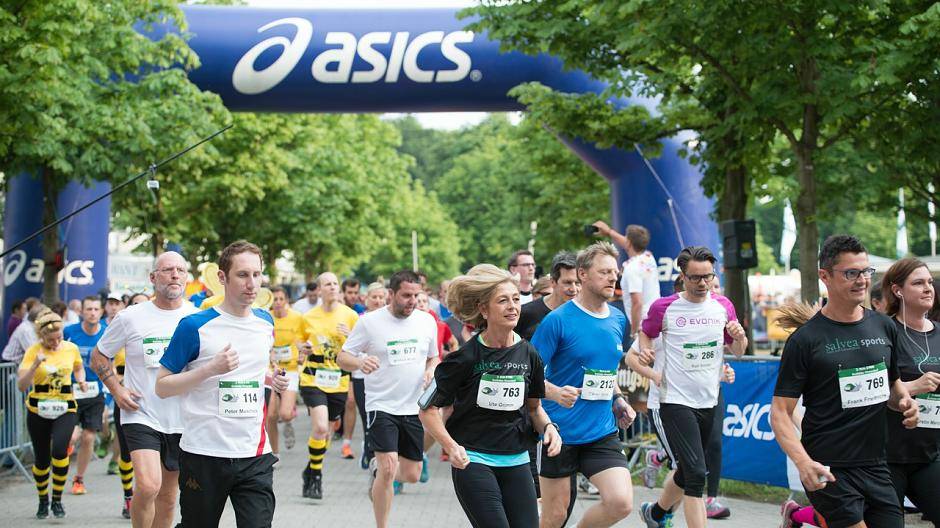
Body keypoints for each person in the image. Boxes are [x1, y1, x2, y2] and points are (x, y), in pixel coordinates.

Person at [770, 235, 918, 528]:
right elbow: (780, 413)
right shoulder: (805, 340)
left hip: (877, 465)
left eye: (866, 271)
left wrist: (905, 402)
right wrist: (803, 462)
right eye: (851, 273)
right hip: (828, 466)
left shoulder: (884, 326)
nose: (862, 280)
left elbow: (893, 386)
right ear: (824, 276)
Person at [155, 241, 288, 527]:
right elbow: (162, 386)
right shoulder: (194, 326)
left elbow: (254, 370)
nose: (252, 284)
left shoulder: (265, 322)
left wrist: (273, 378)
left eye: (257, 274)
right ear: (222, 277)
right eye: (242, 275)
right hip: (204, 453)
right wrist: (209, 369)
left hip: (254, 454)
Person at [418, 264, 562, 527]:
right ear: (484, 309)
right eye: (503, 301)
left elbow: (534, 409)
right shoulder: (464, 357)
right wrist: (450, 446)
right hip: (474, 460)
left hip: (518, 459)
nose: (513, 307)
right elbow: (427, 409)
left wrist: (549, 428)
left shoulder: (529, 354)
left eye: (516, 299)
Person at [636, 246, 746, 528]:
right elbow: (645, 334)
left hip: (709, 400)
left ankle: (656, 513)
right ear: (683, 277)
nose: (702, 283)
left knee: (689, 470)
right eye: (695, 277)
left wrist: (739, 337)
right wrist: (646, 351)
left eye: (708, 277)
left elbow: (738, 352)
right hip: (675, 400)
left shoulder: (723, 306)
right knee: (697, 474)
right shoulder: (664, 307)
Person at [533, 241, 637, 528]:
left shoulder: (618, 318)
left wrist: (618, 399)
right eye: (604, 272)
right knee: (555, 516)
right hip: (559, 432)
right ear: (583, 274)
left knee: (620, 503)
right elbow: (528, 375)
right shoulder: (557, 321)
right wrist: (555, 392)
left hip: (601, 431)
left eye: (614, 272)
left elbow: (606, 370)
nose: (612, 278)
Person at [92, 252, 198, 527]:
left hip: (182, 418)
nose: (175, 275)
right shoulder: (131, 317)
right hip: (141, 413)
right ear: (153, 277)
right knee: (149, 486)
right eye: (167, 270)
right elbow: (99, 356)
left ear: (187, 277)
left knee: (168, 496)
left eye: (180, 270)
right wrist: (117, 390)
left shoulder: (196, 317)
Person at [337, 270, 439, 528]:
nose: (412, 301)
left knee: (412, 474)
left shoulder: (426, 321)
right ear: (391, 294)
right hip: (380, 405)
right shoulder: (369, 322)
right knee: (389, 468)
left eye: (416, 295)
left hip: (413, 406)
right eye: (406, 295)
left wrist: (431, 369)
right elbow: (343, 357)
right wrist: (360, 362)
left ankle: (376, 467)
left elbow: (434, 357)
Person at [880, 257, 940, 524]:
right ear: (898, 290)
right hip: (886, 457)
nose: (928, 288)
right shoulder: (883, 332)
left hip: (929, 454)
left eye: (930, 282)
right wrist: (913, 387)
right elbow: (867, 390)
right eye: (918, 283)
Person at [298, 271, 359, 499]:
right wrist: (302, 348)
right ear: (319, 289)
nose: (332, 287)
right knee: (321, 427)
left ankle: (311, 467)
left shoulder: (350, 316)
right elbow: (300, 342)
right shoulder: (308, 317)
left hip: (338, 380)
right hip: (313, 377)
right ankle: (316, 475)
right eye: (327, 284)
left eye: (335, 283)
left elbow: (360, 348)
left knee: (328, 432)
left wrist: (351, 336)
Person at [18, 310, 84, 519]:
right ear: (41, 337)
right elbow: (21, 385)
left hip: (65, 407)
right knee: (42, 459)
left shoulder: (71, 348)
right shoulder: (33, 351)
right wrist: (35, 365)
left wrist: (81, 380)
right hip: (38, 409)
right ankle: (42, 500)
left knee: (59, 450)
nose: (56, 343)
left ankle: (57, 499)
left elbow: (78, 368)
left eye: (59, 338)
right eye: (50, 340)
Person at [64, 295, 108, 496]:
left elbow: (111, 365)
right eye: (88, 309)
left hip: (95, 393)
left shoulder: (106, 333)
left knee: (89, 437)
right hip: (71, 392)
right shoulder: (69, 332)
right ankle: (62, 459)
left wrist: (109, 399)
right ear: (81, 312)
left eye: (96, 309)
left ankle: (79, 479)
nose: (92, 313)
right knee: (71, 436)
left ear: (101, 312)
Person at [344, 282, 389, 468]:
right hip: (361, 375)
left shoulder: (390, 321)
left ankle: (376, 452)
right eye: (374, 297)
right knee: (366, 415)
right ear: (366, 299)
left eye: (381, 297)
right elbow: (348, 351)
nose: (378, 301)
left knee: (381, 416)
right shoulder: (360, 320)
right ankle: (369, 450)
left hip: (384, 376)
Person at [593, 222, 660, 345]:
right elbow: (630, 243)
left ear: (629, 242)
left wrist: (634, 332)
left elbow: (637, 302)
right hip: (656, 320)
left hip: (643, 328)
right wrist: (609, 232)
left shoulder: (631, 268)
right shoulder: (649, 257)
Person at [265, 286, 304, 460]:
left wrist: (302, 353)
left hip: (290, 370)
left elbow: (304, 340)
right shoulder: (266, 318)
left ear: (287, 300)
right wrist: (269, 353)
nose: (278, 302)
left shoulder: (297, 318)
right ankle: (275, 453)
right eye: (275, 299)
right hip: (270, 370)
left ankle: (288, 422)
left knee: (285, 414)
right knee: (271, 415)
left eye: (281, 299)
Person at [517, 251, 579, 342]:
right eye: (567, 283)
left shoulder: (586, 313)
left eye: (577, 283)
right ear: (553, 282)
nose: (573, 289)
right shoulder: (525, 313)